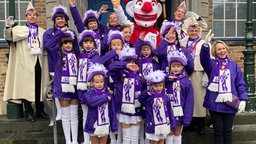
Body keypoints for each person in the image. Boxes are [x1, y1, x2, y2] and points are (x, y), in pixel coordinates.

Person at [3, 2, 50, 122]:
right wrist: (8, 27)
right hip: (25, 64)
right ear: (26, 17)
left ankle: (40, 110)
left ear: (37, 16)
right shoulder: (20, 30)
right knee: (26, 87)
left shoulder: (42, 32)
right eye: (30, 15)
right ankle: (28, 112)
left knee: (40, 86)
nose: (32, 16)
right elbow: (9, 37)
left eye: (34, 14)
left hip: (39, 62)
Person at [200, 34, 248, 144]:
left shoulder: (234, 66)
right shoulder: (212, 64)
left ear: (226, 49)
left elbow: (240, 83)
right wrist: (205, 46)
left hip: (230, 102)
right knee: (218, 131)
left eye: (223, 48)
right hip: (215, 103)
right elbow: (204, 59)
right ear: (215, 52)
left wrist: (243, 99)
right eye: (218, 49)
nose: (221, 51)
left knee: (228, 131)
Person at [77, 29, 120, 144]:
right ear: (82, 44)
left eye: (90, 42)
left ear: (94, 45)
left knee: (95, 113)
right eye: (85, 42)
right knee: (86, 115)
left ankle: (97, 135)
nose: (88, 45)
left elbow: (102, 61)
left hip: (96, 90)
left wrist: (113, 52)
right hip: (83, 90)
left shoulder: (96, 57)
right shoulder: (79, 56)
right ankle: (87, 140)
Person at [43, 5, 79, 121]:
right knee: (56, 87)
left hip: (70, 66)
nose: (60, 20)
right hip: (55, 64)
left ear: (66, 20)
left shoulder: (71, 32)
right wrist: (59, 33)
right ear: (54, 20)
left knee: (69, 86)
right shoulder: (49, 33)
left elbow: (76, 49)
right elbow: (48, 47)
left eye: (62, 18)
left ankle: (68, 109)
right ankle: (59, 110)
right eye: (58, 18)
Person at [180, 18, 208, 134]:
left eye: (196, 30)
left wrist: (206, 76)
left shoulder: (204, 44)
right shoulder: (182, 42)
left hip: (198, 72)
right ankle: (188, 124)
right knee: (186, 99)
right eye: (191, 30)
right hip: (184, 72)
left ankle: (200, 125)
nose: (194, 33)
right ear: (187, 31)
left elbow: (208, 61)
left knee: (198, 99)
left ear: (199, 31)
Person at [109, 47, 142, 143]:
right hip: (123, 110)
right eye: (129, 61)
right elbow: (111, 66)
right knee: (126, 138)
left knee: (135, 138)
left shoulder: (140, 76)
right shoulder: (119, 75)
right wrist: (125, 65)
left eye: (133, 62)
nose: (132, 64)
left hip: (136, 109)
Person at [79, 63, 118, 144]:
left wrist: (114, 126)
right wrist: (105, 98)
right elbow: (91, 102)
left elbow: (112, 111)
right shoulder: (89, 93)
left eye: (101, 81)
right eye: (97, 82)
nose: (99, 84)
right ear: (92, 83)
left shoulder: (108, 93)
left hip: (105, 124)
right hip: (93, 124)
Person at [139, 70, 176, 144]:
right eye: (156, 86)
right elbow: (140, 99)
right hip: (153, 125)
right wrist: (146, 93)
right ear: (151, 86)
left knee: (162, 141)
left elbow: (170, 111)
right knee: (154, 141)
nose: (158, 88)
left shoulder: (166, 98)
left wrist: (172, 123)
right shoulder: (149, 98)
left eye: (160, 86)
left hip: (164, 124)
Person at [165, 50, 194, 144]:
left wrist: (187, 117)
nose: (176, 68)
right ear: (170, 66)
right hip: (168, 111)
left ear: (182, 67)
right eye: (173, 66)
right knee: (169, 132)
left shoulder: (186, 82)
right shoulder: (166, 80)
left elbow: (189, 101)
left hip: (180, 111)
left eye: (178, 66)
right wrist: (166, 79)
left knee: (177, 132)